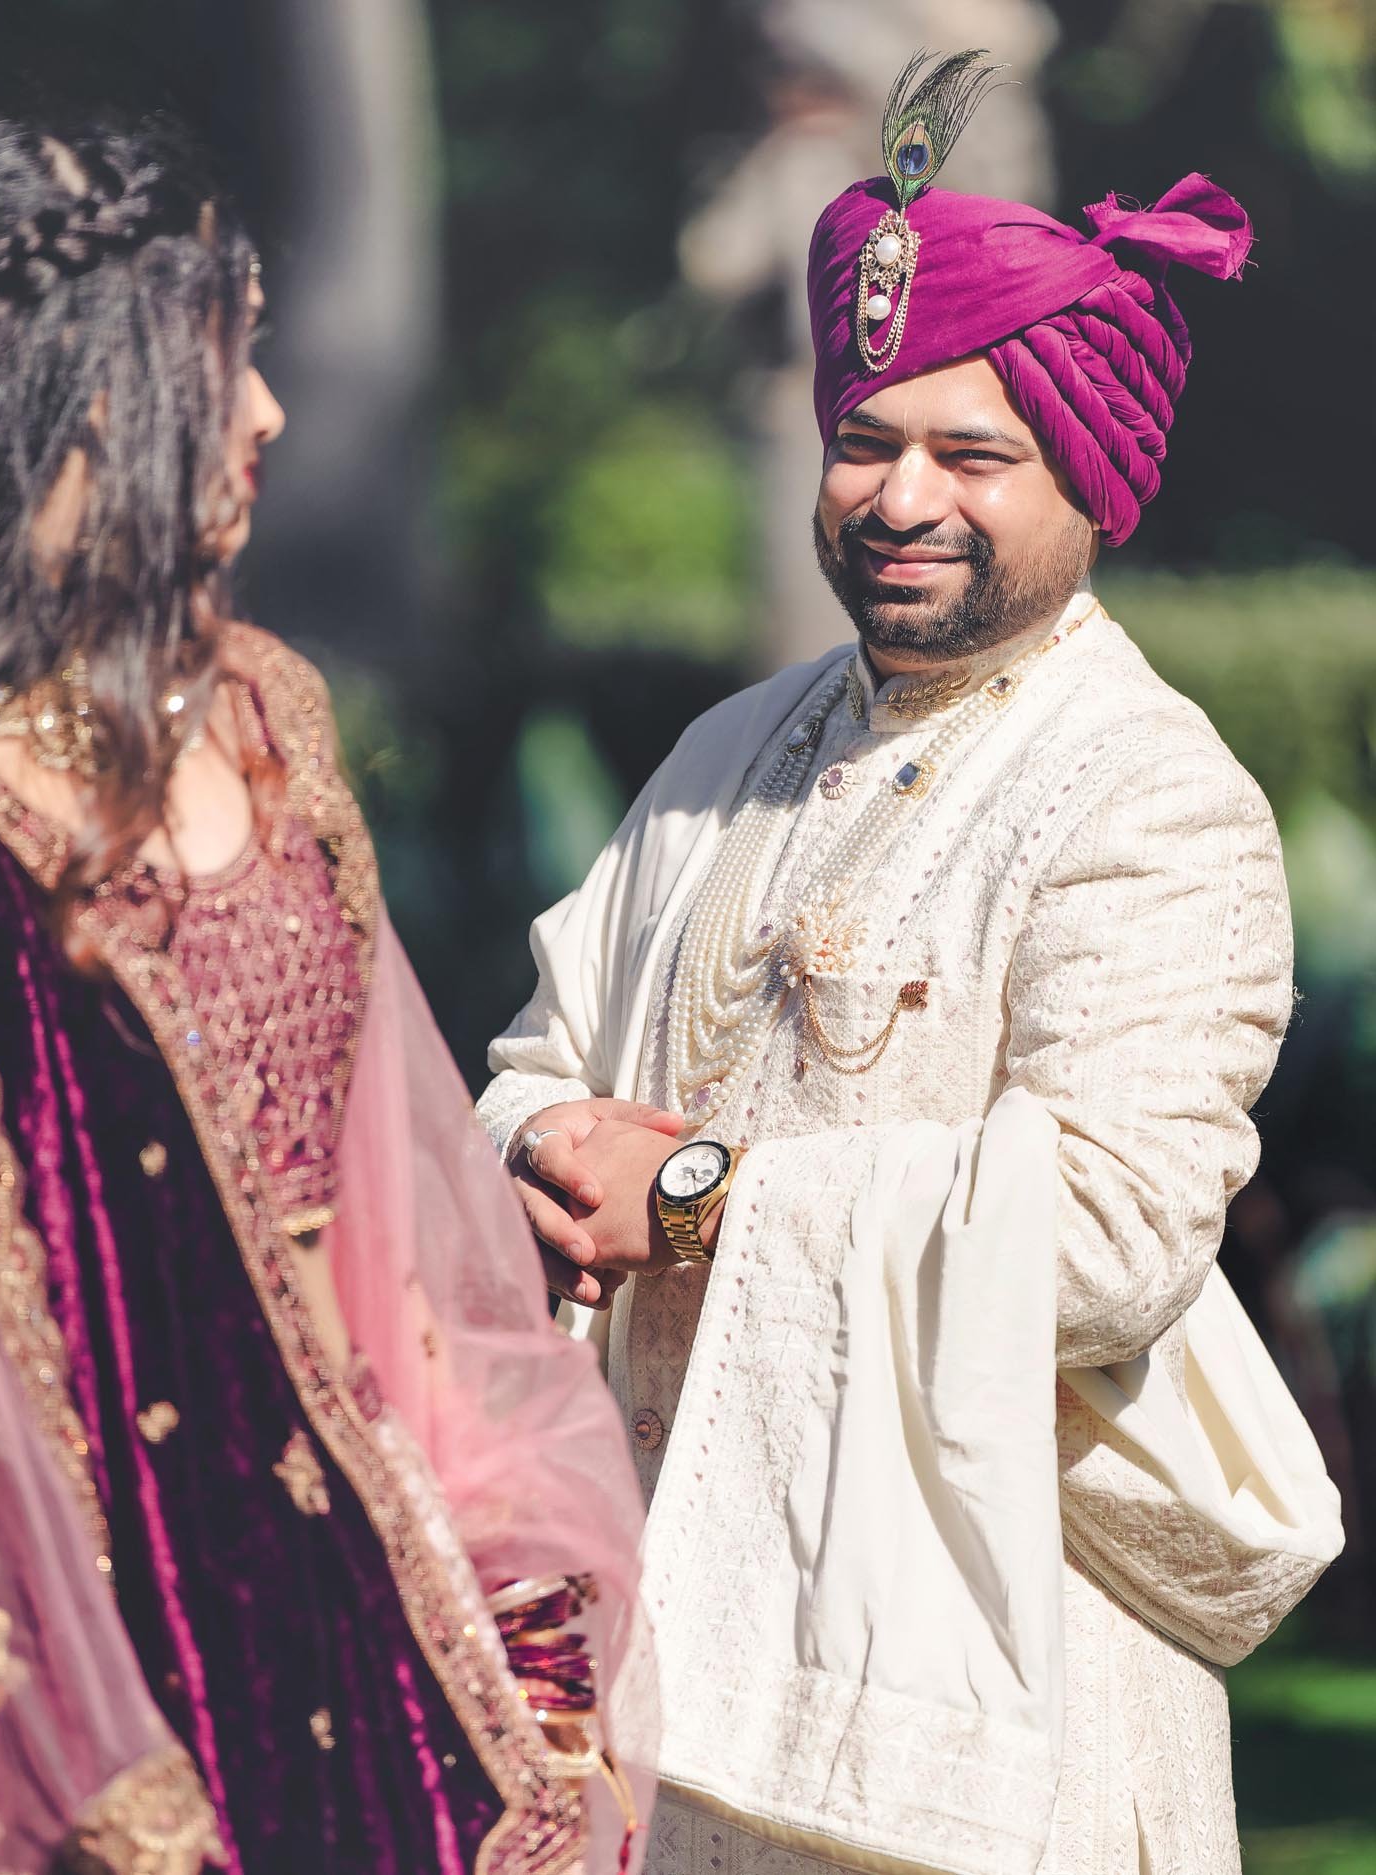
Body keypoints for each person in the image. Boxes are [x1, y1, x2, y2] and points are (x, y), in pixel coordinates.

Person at [478, 51, 1344, 1875]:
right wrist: (544, 1159)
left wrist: (697, 1196)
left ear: (1091, 475)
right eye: (866, 439)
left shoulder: (1147, 795)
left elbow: (1110, 1240)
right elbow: (545, 1059)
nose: (899, 496)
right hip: (678, 1647)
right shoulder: (723, 752)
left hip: (1003, 1683)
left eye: (974, 453)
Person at [0, 117, 648, 1874]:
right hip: (100, 1641)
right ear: (82, 401)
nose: (270, 411)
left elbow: (404, 1214)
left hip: (389, 1605)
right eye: (222, 355)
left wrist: (516, 1597)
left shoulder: (263, 713)